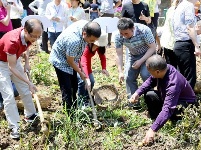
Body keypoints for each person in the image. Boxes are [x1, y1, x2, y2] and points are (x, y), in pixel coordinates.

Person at [129, 55, 197, 144]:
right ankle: (158, 119)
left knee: (174, 110)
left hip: (185, 105)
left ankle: (171, 122)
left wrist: (152, 130)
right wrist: (137, 93)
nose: (150, 74)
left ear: (157, 72)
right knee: (150, 95)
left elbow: (168, 108)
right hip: (169, 99)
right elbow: (149, 81)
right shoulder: (164, 69)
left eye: (150, 72)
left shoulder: (173, 83)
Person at [0, 18, 43, 139]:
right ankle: (14, 126)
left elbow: (26, 47)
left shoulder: (28, 35)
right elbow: (11, 68)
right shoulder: (12, 41)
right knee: (8, 96)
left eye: (38, 37)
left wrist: (27, 62)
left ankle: (30, 115)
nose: (35, 39)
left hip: (14, 59)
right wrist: (29, 81)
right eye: (33, 36)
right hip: (2, 64)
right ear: (25, 30)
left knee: (24, 89)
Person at [49, 20, 101, 113]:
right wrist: (81, 73)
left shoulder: (86, 27)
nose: (92, 43)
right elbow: (70, 61)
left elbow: (78, 57)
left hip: (72, 59)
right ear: (84, 33)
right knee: (67, 89)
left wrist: (84, 74)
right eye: (92, 40)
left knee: (74, 85)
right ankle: (70, 114)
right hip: (60, 61)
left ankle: (74, 107)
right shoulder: (74, 41)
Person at [115, 18, 156, 100]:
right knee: (128, 77)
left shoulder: (144, 30)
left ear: (133, 28)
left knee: (145, 74)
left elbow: (152, 48)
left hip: (148, 54)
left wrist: (140, 61)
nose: (124, 36)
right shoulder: (118, 35)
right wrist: (120, 72)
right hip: (133, 54)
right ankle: (133, 100)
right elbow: (119, 54)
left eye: (126, 33)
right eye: (121, 33)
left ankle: (150, 98)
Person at [172, 0, 201, 89]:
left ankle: (181, 100)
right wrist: (197, 45)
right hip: (186, 45)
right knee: (189, 76)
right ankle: (187, 101)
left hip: (178, 44)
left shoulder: (179, 5)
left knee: (181, 75)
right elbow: (190, 27)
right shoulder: (188, 6)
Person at [77, 30, 109, 106]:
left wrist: (104, 68)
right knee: (83, 82)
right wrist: (86, 77)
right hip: (79, 66)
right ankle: (80, 101)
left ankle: (86, 98)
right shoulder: (87, 47)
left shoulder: (99, 47)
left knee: (92, 81)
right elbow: (83, 62)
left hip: (87, 66)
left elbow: (102, 57)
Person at [160, 2, 177, 68]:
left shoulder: (170, 9)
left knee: (171, 66)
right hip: (173, 42)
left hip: (167, 41)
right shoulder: (174, 10)